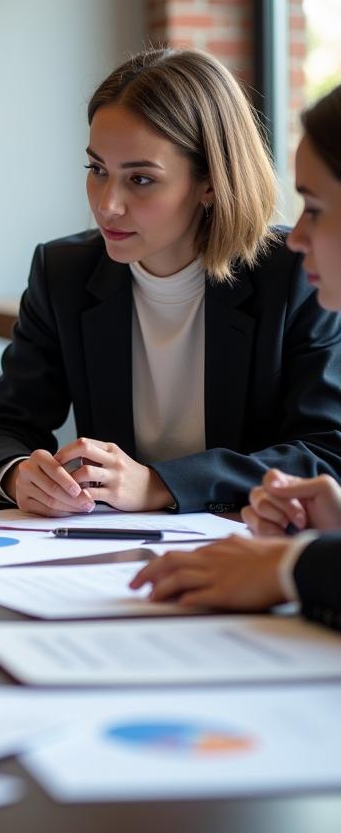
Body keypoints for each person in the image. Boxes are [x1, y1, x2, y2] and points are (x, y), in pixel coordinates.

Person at [0, 47, 341, 516]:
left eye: (140, 179)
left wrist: (163, 484)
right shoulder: (63, 271)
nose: (107, 205)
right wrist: (20, 473)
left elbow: (326, 453)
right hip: (109, 555)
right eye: (97, 170)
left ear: (210, 183)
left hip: (246, 548)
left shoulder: (299, 272)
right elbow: (2, 428)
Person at [132, 83, 341, 628]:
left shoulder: (286, 282)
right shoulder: (64, 270)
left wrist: (293, 567)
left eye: (314, 209)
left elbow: (325, 445)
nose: (296, 238)